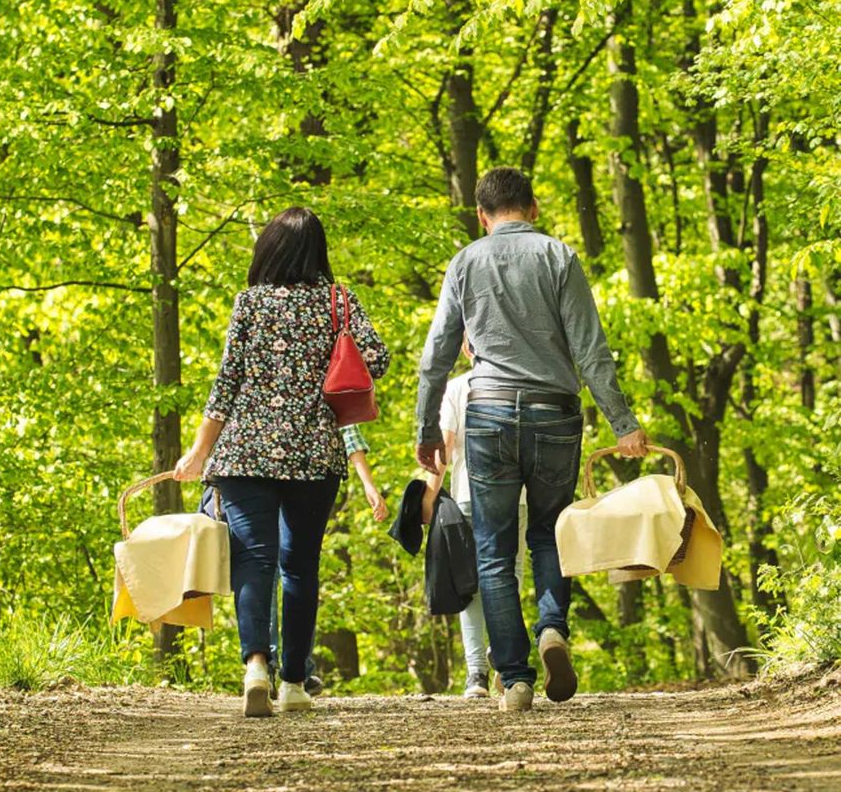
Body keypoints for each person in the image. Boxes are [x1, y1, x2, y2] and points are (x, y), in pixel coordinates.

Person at [415, 167, 648, 712]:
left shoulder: (464, 262)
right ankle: (552, 629)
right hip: (554, 415)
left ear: (482, 215)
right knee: (549, 533)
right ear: (534, 207)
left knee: (494, 550)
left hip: (488, 414)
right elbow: (591, 350)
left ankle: (516, 680)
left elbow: (437, 355)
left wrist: (427, 429)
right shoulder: (559, 257)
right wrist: (623, 423)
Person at [175, 206, 389, 718]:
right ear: (318, 251)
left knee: (255, 559)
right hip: (314, 453)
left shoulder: (249, 303)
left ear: (269, 249)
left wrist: (200, 450)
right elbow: (377, 360)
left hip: (245, 451)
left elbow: (226, 382)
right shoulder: (338, 302)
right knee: (300, 565)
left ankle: (255, 666)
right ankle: (293, 682)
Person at [420, 337, 526, 699]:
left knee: (469, 583)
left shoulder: (456, 388)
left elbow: (444, 449)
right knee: (510, 573)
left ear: (467, 349)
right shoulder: (522, 385)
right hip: (516, 497)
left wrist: (429, 496)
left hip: (469, 494)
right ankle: (503, 648)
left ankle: (476, 674)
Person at [267, 423, 388, 697]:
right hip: (305, 473)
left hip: (260, 471)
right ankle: (293, 669)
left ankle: (268, 666)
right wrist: (368, 484)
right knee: (294, 570)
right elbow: (348, 427)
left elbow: (348, 429)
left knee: (269, 569)